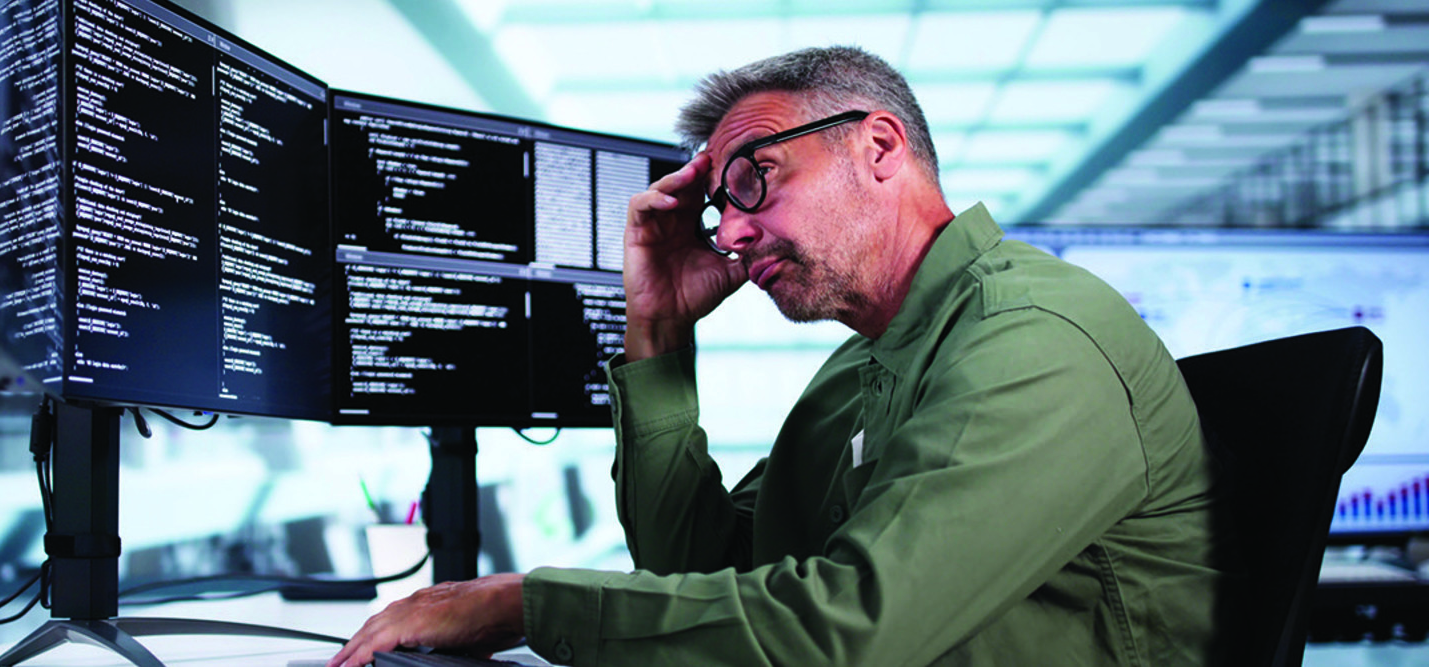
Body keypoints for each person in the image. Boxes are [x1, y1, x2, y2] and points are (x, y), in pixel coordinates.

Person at [331, 46, 1224, 666]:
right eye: (722, 207)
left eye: (755, 176)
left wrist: (528, 603)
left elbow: (849, 635)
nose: (734, 232)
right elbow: (698, 573)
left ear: (878, 147)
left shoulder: (1035, 338)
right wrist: (660, 329)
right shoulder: (863, 366)